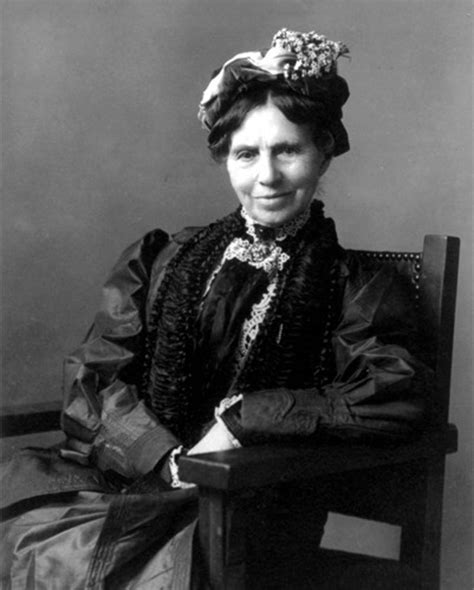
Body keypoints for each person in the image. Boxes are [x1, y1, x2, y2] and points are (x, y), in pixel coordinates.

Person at [0, 29, 430, 589]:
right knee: (31, 527)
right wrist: (161, 457)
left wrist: (242, 418)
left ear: (324, 152)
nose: (267, 176)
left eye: (289, 150)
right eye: (247, 154)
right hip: (134, 477)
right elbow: (96, 377)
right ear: (225, 159)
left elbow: (393, 393)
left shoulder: (360, 287)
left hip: (248, 506)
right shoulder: (166, 259)